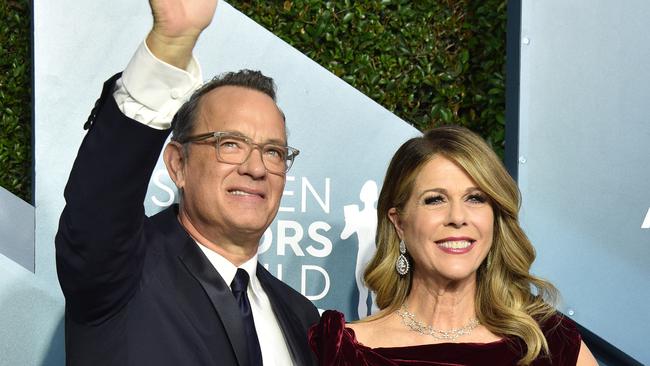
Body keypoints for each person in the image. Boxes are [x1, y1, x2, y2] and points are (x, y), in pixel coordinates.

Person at [55, 0, 318, 365]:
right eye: (230, 144)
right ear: (178, 163)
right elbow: (100, 199)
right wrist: (171, 43)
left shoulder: (302, 316)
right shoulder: (120, 269)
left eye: (273, 152)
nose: (256, 168)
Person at [309, 126, 598, 365]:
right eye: (435, 199)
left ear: (495, 218)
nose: (458, 218)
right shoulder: (342, 350)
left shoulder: (549, 344)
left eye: (475, 198)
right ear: (399, 223)